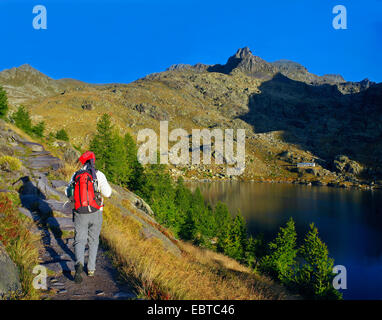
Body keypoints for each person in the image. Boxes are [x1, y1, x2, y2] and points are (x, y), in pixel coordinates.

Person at [66, 151, 112, 283]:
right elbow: (108, 193)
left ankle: (79, 264)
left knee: (79, 240)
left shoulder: (76, 175)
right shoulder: (98, 174)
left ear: (82, 161)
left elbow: (67, 191)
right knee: (93, 239)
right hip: (96, 212)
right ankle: (91, 269)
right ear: (93, 160)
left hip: (80, 212)